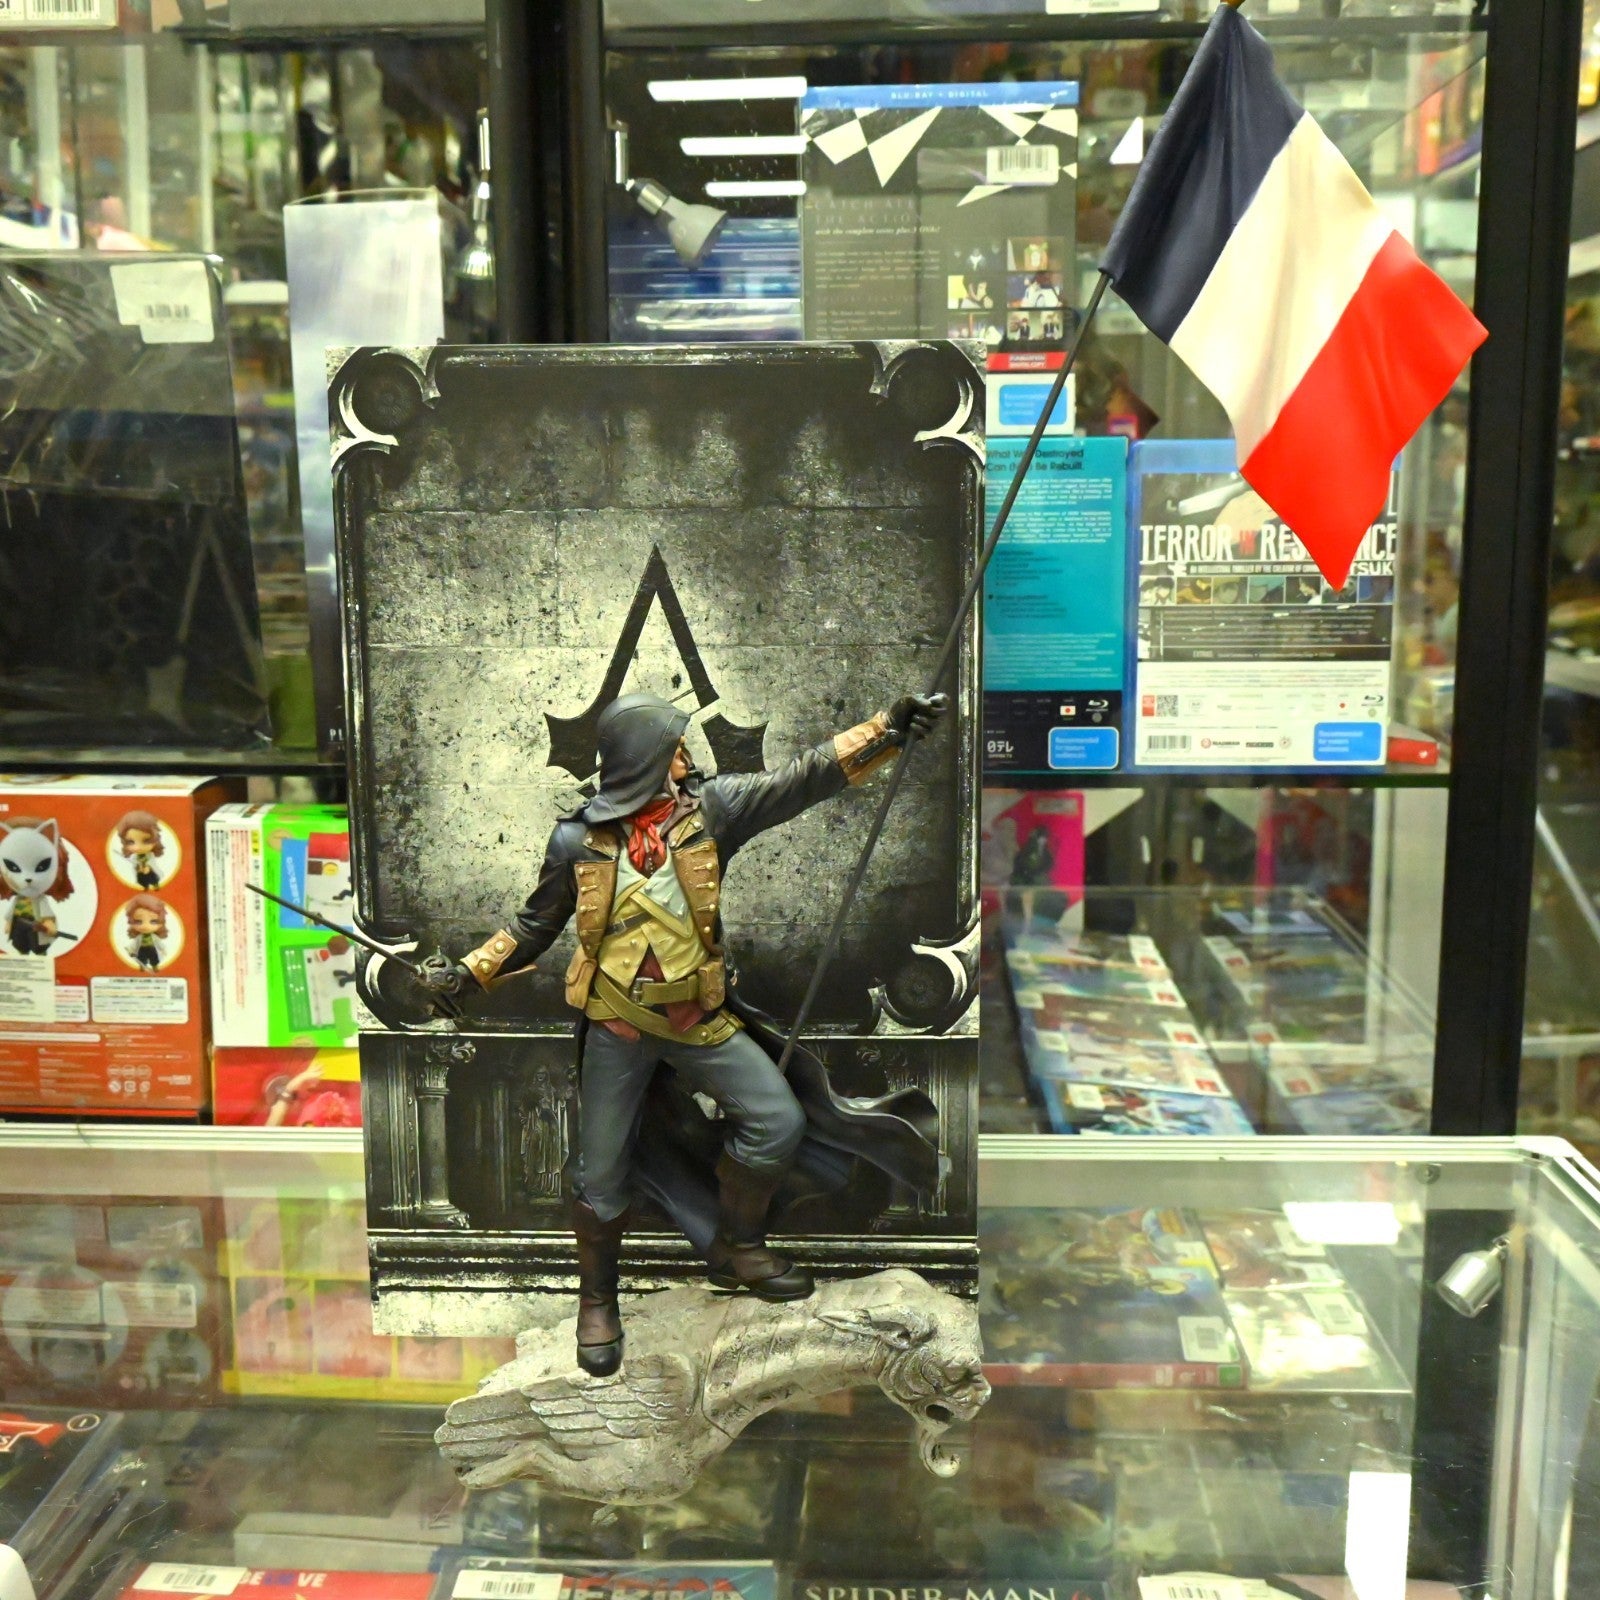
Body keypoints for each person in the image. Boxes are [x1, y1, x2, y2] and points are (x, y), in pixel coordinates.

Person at [423, 690, 948, 1376]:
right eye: (673, 748)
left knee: (778, 1122)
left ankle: (740, 1247)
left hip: (697, 1017)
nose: (686, 757)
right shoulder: (577, 840)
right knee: (600, 1173)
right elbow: (535, 924)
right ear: (642, 759)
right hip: (617, 1024)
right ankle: (597, 1301)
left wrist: (885, 730)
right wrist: (469, 973)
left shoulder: (714, 811)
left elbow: (799, 780)